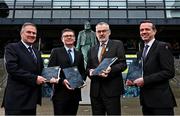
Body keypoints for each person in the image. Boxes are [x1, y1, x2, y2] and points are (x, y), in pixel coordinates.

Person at [126, 20, 177, 115]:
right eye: (141, 30)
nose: (144, 32)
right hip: (146, 101)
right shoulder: (140, 52)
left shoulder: (162, 46)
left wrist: (145, 80)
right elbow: (141, 72)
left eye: (147, 29)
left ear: (154, 31)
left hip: (161, 101)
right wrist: (133, 81)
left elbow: (169, 72)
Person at [1, 22, 47, 115]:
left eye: (34, 33)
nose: (32, 35)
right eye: (28, 32)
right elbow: (12, 69)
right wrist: (35, 79)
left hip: (32, 101)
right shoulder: (12, 48)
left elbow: (42, 72)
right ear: (21, 34)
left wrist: (54, 79)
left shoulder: (37, 52)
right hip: (16, 101)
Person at [86, 22, 127, 115]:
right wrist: (91, 72)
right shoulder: (92, 49)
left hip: (112, 90)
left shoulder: (117, 44)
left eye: (104, 31)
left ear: (109, 32)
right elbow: (88, 68)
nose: (101, 34)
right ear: (96, 33)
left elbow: (123, 64)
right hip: (95, 91)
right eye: (99, 31)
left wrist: (110, 69)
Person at [48, 28, 86, 115]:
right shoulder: (56, 52)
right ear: (62, 39)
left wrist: (82, 80)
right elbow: (50, 72)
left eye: (71, 36)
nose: (69, 37)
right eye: (66, 36)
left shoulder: (79, 54)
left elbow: (82, 71)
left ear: (75, 38)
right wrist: (62, 81)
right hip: (60, 94)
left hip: (75, 94)